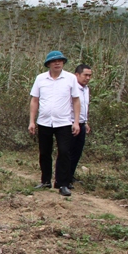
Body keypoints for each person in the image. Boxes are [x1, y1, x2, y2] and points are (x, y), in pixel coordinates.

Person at [28, 51, 81, 197]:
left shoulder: (70, 78)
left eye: (60, 61)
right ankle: (45, 180)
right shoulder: (40, 79)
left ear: (63, 63)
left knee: (64, 152)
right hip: (44, 121)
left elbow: (76, 100)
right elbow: (34, 100)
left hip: (63, 122)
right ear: (48, 64)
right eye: (54, 61)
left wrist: (76, 122)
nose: (57, 63)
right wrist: (32, 121)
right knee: (45, 152)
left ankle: (62, 183)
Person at [68, 64, 93, 187]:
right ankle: (63, 177)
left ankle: (70, 175)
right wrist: (74, 122)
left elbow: (84, 106)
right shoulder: (71, 87)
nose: (87, 78)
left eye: (90, 75)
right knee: (67, 152)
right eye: (85, 75)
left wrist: (85, 122)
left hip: (82, 123)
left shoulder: (86, 88)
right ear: (77, 75)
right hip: (71, 123)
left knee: (77, 152)